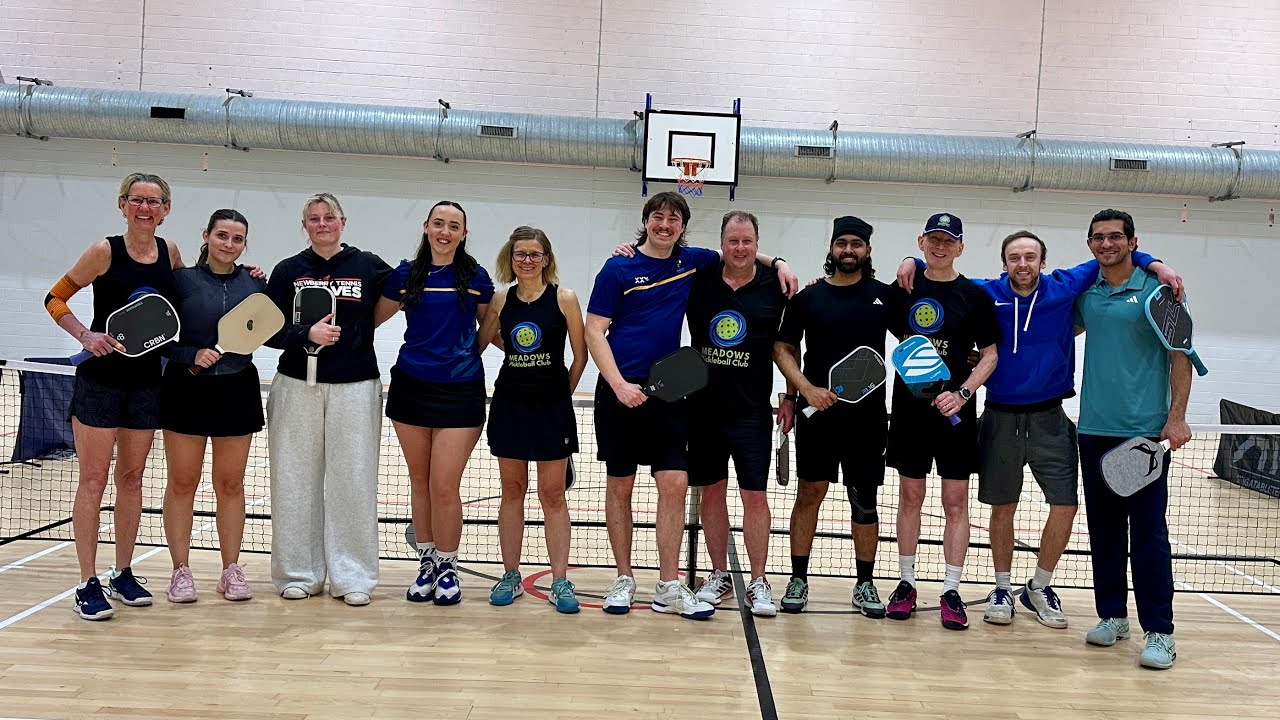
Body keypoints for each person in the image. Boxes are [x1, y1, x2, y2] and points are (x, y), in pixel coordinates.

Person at [895, 231, 1180, 628]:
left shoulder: (1065, 286)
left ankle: (1040, 586)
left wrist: (1156, 264)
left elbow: (1113, 253)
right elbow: (942, 274)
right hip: (998, 415)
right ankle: (1001, 587)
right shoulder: (984, 292)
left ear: (1042, 262)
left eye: (1030, 257)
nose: (1023, 264)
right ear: (1004, 263)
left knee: (1066, 504)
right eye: (1015, 258)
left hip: (1050, 416)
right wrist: (915, 262)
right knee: (1002, 507)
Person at [587, 191, 796, 620]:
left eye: (673, 219)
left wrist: (780, 262)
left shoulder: (694, 261)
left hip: (669, 392)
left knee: (676, 486)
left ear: (683, 227)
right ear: (646, 221)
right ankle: (625, 578)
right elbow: (594, 331)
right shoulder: (618, 267)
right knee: (620, 487)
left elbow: (740, 250)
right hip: (622, 392)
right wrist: (618, 384)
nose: (665, 225)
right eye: (658, 217)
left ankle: (668, 586)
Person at [45, 172, 182, 620]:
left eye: (154, 201)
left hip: (147, 383)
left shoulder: (170, 253)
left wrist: (247, 274)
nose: (145, 208)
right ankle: (86, 582)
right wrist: (84, 335)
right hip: (100, 383)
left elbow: (193, 294)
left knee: (133, 479)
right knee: (93, 480)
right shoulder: (104, 251)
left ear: (166, 209)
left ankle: (122, 571)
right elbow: (55, 297)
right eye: (137, 200)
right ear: (123, 205)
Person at [1074, 209, 1192, 669]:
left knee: (1147, 534)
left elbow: (1181, 357)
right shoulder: (1088, 295)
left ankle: (1160, 632)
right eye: (1099, 238)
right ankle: (1112, 616)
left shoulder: (1160, 293)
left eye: (1116, 237)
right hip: (1093, 430)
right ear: (1090, 245)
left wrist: (1176, 417)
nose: (1107, 244)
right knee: (1103, 532)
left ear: (1132, 242)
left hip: (1143, 435)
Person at [264, 193, 392, 606]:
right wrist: (305, 336)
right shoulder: (288, 271)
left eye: (329, 217)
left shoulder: (368, 265)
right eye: (314, 219)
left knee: (353, 482)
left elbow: (403, 293)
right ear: (305, 225)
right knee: (294, 480)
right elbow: (266, 330)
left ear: (343, 221)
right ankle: (298, 572)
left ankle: (352, 576)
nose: (322, 224)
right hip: (296, 385)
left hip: (355, 386)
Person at [772, 215, 894, 617]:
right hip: (817, 417)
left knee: (865, 502)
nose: (848, 250)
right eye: (841, 243)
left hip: (869, 420)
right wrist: (803, 391)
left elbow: (918, 339)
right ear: (831, 248)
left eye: (856, 244)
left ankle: (864, 585)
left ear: (868, 251)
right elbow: (782, 349)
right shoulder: (809, 298)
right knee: (809, 495)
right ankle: (799, 578)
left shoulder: (884, 296)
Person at [884, 212, 999, 631]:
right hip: (911, 414)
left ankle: (951, 589)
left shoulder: (975, 295)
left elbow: (989, 354)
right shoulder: (904, 288)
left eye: (949, 240)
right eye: (933, 238)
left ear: (961, 247)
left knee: (955, 503)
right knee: (910, 497)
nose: (940, 246)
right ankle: (906, 583)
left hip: (956, 414)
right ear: (921, 241)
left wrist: (963, 393)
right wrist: (904, 262)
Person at [375, 200, 494, 606]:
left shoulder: (476, 277)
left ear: (464, 233)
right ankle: (426, 563)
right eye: (438, 223)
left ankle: (448, 567)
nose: (445, 231)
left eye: (454, 226)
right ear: (426, 227)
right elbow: (369, 318)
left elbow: (493, 332)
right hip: (411, 386)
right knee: (421, 483)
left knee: (445, 485)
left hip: (460, 391)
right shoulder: (406, 275)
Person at [477, 226, 587, 614]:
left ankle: (560, 580)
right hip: (510, 404)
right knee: (512, 490)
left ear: (546, 258)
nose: (527, 260)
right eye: (520, 254)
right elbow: (483, 339)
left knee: (553, 495)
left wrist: (561, 394)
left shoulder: (565, 298)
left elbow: (580, 356)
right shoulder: (501, 298)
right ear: (511, 258)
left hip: (551, 410)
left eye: (534, 254)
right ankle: (510, 574)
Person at [159, 209, 266, 603]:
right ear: (206, 235)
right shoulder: (181, 281)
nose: (229, 244)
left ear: (244, 245)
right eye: (222, 235)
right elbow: (161, 336)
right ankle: (180, 571)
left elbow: (267, 330)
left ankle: (230, 570)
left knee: (230, 483)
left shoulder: (255, 286)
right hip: (186, 388)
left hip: (236, 388)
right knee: (183, 481)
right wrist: (190, 353)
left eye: (237, 239)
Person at [685, 211, 787, 618]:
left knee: (754, 496)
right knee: (711, 492)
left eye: (747, 241)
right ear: (721, 243)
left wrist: (778, 263)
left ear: (757, 244)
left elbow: (787, 346)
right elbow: (662, 255)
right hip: (704, 408)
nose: (740, 248)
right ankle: (718, 573)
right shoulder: (701, 277)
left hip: (752, 413)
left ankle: (760, 580)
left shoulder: (776, 287)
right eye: (733, 241)